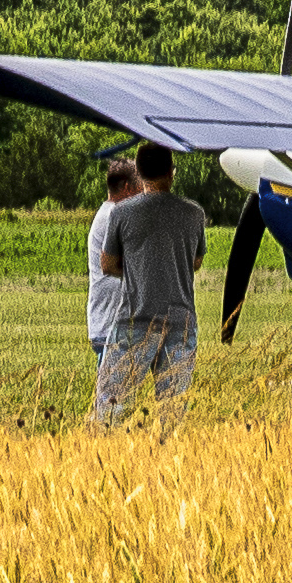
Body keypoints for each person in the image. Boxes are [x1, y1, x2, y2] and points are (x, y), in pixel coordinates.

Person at [86, 141, 202, 422]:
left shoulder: (121, 213)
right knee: (173, 407)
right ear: (171, 173)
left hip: (135, 317)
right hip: (180, 319)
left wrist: (139, 268)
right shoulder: (193, 213)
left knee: (112, 402)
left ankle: (108, 452)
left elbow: (108, 263)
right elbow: (195, 262)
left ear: (138, 172)